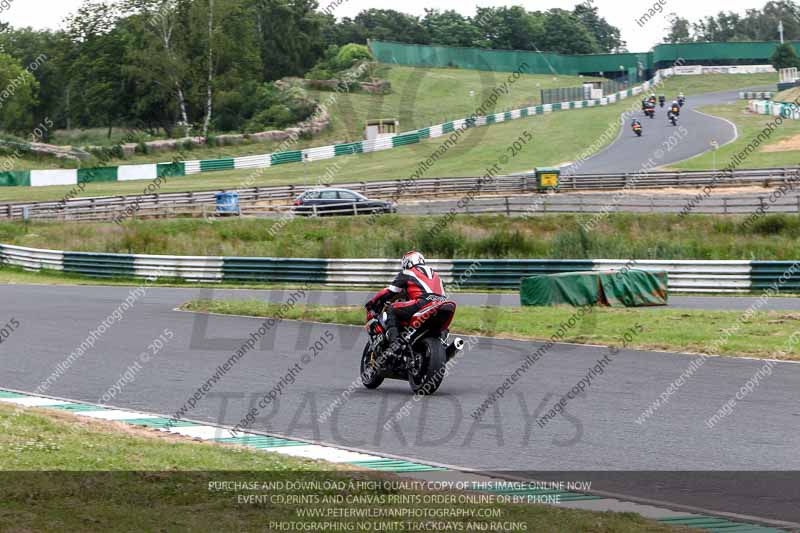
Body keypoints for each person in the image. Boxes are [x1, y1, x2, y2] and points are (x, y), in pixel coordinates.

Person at [365, 251, 446, 352]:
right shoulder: (437, 275)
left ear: (408, 262)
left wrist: (373, 302)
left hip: (423, 303)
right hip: (442, 305)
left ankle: (394, 345)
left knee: (392, 309)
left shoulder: (407, 272)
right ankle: (443, 345)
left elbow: (390, 292)